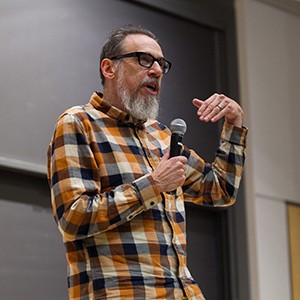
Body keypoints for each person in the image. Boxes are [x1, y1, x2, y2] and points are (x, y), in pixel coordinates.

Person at [47, 25, 247, 300]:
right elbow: (74, 217)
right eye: (144, 60)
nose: (156, 70)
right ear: (109, 68)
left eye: (161, 64)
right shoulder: (78, 123)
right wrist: (153, 184)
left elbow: (220, 190)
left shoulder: (161, 136)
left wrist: (234, 126)